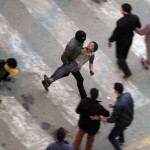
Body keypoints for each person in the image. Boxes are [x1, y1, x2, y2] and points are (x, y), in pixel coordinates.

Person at [42, 30, 87, 99]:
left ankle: (49, 80)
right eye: (82, 40)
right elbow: (63, 56)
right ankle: (84, 96)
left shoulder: (81, 41)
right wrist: (67, 64)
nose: (83, 42)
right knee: (79, 78)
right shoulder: (72, 45)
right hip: (71, 61)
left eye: (84, 40)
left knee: (65, 72)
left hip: (75, 60)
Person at [90, 83, 134, 150]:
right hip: (129, 117)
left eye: (114, 89)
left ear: (116, 91)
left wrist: (99, 118)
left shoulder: (119, 104)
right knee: (120, 128)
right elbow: (126, 105)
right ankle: (121, 140)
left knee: (111, 137)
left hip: (123, 122)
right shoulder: (127, 95)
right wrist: (114, 106)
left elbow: (111, 120)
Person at [108, 3, 141, 79]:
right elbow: (138, 26)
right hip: (129, 39)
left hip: (121, 41)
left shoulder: (120, 22)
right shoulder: (135, 17)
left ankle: (127, 72)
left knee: (120, 56)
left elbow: (116, 34)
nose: (120, 10)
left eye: (121, 9)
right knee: (125, 53)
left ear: (124, 11)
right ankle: (121, 63)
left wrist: (110, 40)